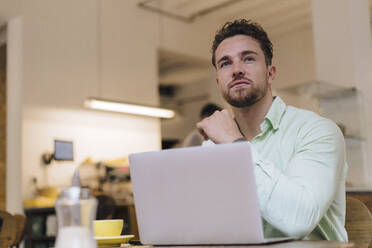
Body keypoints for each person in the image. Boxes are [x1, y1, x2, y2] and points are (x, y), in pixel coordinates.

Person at [196, 19, 348, 241]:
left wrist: (235, 146)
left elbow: (298, 220)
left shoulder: (317, 131)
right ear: (219, 82)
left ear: (270, 73)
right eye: (226, 63)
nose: (237, 70)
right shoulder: (212, 145)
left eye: (248, 59)